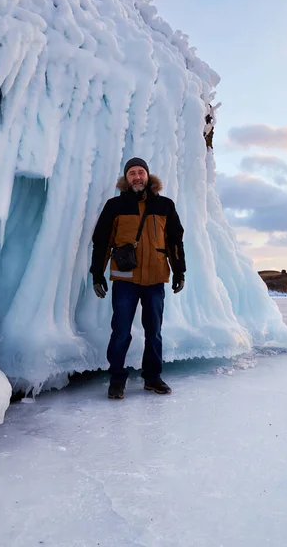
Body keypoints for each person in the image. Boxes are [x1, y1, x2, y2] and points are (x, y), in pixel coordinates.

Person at [90, 157, 186, 399]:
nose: (137, 177)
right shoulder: (115, 206)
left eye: (140, 172)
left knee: (154, 331)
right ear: (126, 178)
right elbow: (102, 241)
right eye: (132, 173)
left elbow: (175, 241)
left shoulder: (165, 205)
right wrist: (97, 274)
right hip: (125, 279)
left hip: (155, 278)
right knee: (121, 331)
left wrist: (179, 271)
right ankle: (117, 379)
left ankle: (153, 378)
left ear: (148, 176)